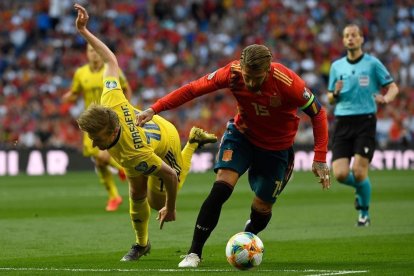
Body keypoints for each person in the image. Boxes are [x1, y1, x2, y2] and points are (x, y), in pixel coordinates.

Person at [136, 44, 331, 268]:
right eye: (247, 76)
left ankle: (247, 237)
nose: (250, 83)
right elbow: (193, 89)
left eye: (256, 78)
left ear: (268, 70)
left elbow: (318, 113)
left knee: (262, 208)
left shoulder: (288, 83)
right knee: (220, 189)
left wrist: (320, 158)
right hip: (242, 137)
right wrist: (154, 108)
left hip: (277, 149)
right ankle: (194, 253)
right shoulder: (232, 73)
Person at [73, 4, 217, 262]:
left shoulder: (134, 153)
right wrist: (83, 30)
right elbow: (111, 60)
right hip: (136, 145)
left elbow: (170, 175)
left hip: (165, 140)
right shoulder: (111, 98)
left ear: (111, 128)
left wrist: (170, 209)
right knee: (135, 192)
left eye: (97, 138)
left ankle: (192, 142)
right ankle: (141, 244)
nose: (94, 144)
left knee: (154, 200)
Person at [327, 24, 399, 226]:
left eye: (354, 35)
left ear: (361, 39)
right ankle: (361, 190)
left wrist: (385, 98)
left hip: (365, 121)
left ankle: (364, 213)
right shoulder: (336, 67)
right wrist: (336, 93)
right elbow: (330, 98)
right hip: (342, 121)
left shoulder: (372, 64)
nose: (350, 38)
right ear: (343, 40)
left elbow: (393, 87)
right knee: (340, 174)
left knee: (359, 172)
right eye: (347, 35)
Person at [63, 39, 133, 212]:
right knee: (99, 160)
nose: (93, 54)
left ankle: (124, 171)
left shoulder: (111, 71)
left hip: (109, 120)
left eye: (95, 51)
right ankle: (114, 196)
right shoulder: (81, 73)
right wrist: (69, 97)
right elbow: (75, 92)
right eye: (90, 51)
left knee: (101, 157)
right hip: (89, 123)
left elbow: (126, 88)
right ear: (86, 54)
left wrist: (125, 109)